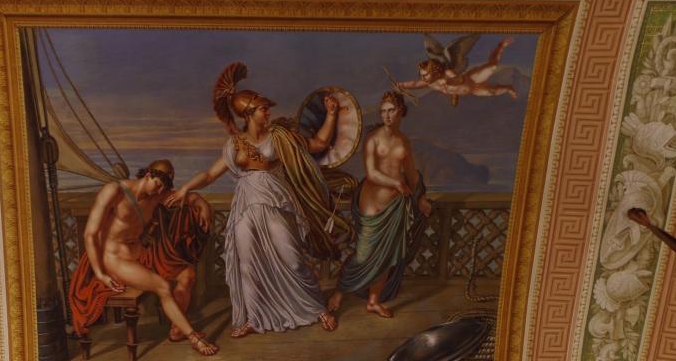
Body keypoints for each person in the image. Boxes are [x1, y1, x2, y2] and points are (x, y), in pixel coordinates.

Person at [172, 62, 344, 338]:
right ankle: (254, 317)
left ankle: (316, 308)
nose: (269, 112)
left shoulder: (281, 137)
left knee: (292, 258)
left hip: (275, 202)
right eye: (264, 108)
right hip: (246, 207)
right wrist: (184, 189)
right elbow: (209, 174)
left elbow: (319, 144)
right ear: (249, 114)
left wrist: (332, 114)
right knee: (247, 264)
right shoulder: (234, 144)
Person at [68, 160, 217, 356]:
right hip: (114, 259)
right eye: (158, 184)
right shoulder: (114, 191)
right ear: (148, 175)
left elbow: (190, 196)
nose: (160, 190)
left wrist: (202, 205)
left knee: (187, 274)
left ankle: (177, 330)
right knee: (163, 287)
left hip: (141, 254)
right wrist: (100, 274)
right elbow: (90, 234)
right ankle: (193, 337)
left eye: (164, 187)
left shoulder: (156, 196)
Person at [329, 91, 432, 319]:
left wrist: (421, 197)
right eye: (383, 111)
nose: (386, 115)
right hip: (373, 205)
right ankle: (339, 292)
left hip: (395, 207)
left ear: (401, 111)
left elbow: (412, 174)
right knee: (363, 255)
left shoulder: (404, 141)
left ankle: (373, 301)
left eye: (391, 110)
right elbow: (372, 173)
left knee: (388, 256)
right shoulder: (373, 139)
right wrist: (396, 182)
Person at [396, 37, 517, 106]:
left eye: (425, 75)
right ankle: (508, 88)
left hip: (472, 79)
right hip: (472, 90)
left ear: (434, 72)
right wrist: (402, 85)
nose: (423, 78)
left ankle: (500, 46)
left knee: (492, 66)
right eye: (422, 76)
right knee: (492, 92)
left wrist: (448, 82)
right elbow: (415, 84)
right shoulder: (430, 82)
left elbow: (458, 79)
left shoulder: (447, 73)